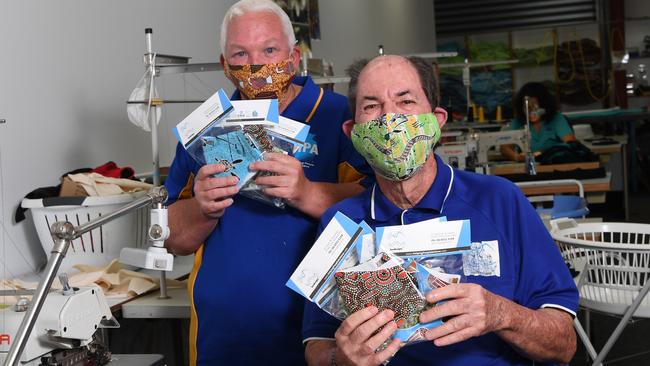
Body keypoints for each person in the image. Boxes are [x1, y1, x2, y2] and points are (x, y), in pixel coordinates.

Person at [302, 55, 579, 366]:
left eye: (405, 101)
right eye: (371, 107)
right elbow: (317, 345)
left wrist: (500, 313)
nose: (389, 119)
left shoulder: (501, 200)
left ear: (436, 119)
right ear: (353, 131)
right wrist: (341, 359)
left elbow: (564, 344)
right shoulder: (341, 224)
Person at [163, 1, 372, 364]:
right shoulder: (205, 131)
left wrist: (308, 192)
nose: (256, 64)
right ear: (225, 65)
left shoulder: (338, 115)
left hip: (320, 335)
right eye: (240, 53)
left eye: (269, 50)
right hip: (224, 338)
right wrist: (203, 209)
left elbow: (381, 207)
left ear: (293, 57)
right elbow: (172, 238)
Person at [501, 82, 576, 162]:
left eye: (534, 107)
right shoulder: (517, 122)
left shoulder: (556, 119)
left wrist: (548, 154)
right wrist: (518, 157)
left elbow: (571, 143)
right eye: (527, 108)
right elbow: (504, 148)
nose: (531, 111)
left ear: (544, 105)